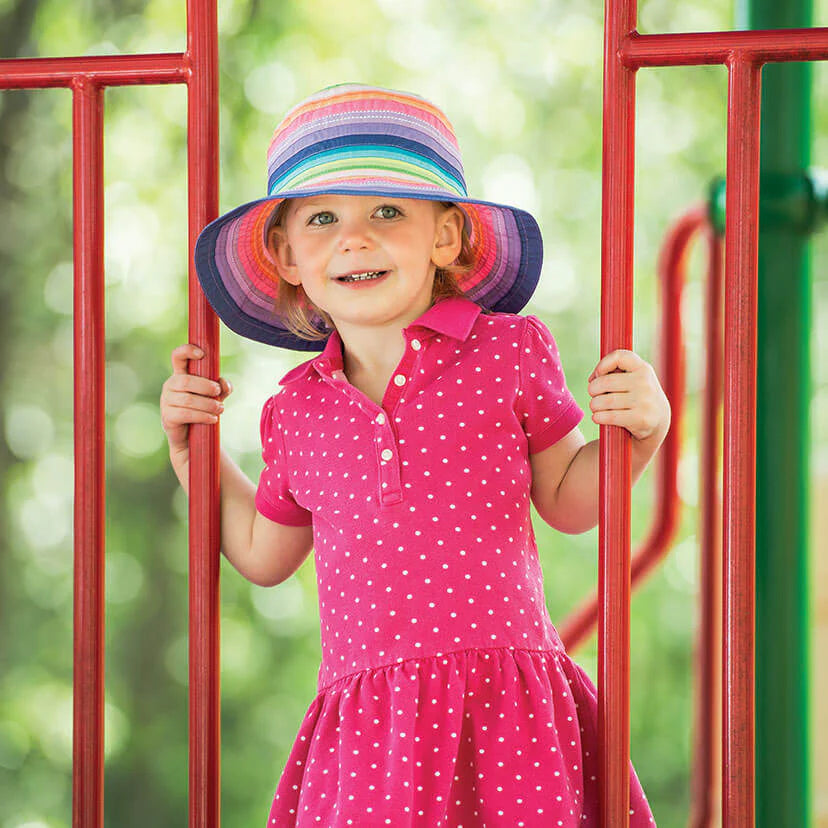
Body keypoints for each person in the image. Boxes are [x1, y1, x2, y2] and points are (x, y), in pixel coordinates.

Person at [160, 83, 668, 826]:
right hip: (374, 735)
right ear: (287, 255)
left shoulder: (509, 352)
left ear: (447, 238)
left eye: (388, 212)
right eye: (322, 218)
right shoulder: (296, 409)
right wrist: (191, 453)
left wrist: (640, 432)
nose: (354, 238)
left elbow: (568, 501)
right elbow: (262, 554)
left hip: (509, 709)